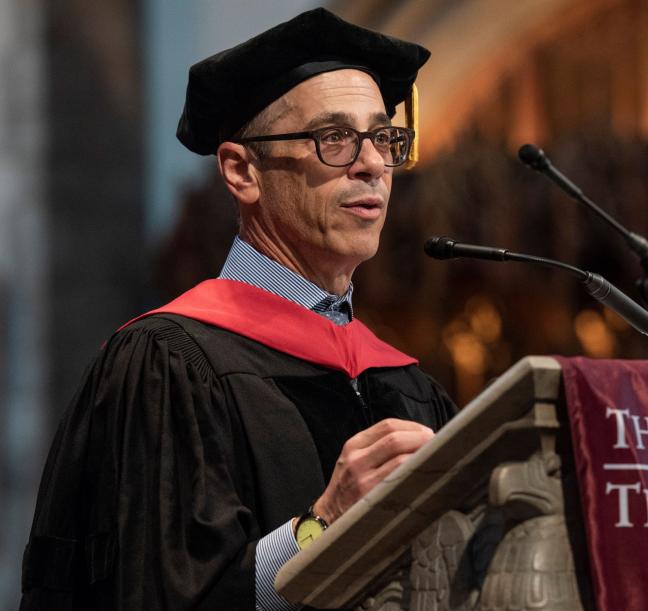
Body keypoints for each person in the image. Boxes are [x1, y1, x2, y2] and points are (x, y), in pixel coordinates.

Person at [20, 8, 456, 611]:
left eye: (383, 138)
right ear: (240, 171)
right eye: (334, 139)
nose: (373, 164)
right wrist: (324, 525)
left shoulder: (408, 385)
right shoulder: (168, 365)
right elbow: (153, 595)